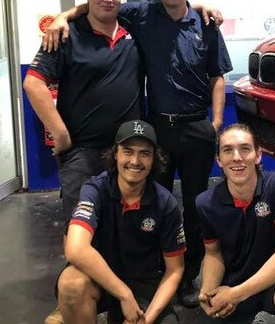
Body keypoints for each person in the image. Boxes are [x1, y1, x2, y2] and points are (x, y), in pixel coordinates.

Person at [45, 0, 233, 308]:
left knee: (194, 205)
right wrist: (62, 16)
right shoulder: (143, 15)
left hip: (197, 128)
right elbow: (100, 2)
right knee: (154, 202)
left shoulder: (205, 24)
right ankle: (156, 269)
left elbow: (217, 77)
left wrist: (217, 124)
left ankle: (187, 274)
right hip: (158, 127)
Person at [23, 0, 143, 222]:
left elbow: (174, 8)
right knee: (81, 229)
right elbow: (33, 83)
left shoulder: (133, 29)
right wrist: (60, 134)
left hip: (126, 151)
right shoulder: (66, 35)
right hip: (82, 154)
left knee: (122, 226)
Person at [55, 119, 186, 324]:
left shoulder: (165, 203)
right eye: (128, 151)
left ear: (154, 160)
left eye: (144, 153)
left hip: (143, 283)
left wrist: (147, 319)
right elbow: (75, 249)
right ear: (115, 153)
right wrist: (124, 294)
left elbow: (175, 270)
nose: (135, 160)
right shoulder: (95, 190)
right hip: (100, 279)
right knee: (71, 285)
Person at [195, 123, 275, 323]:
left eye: (245, 148)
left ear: (258, 155)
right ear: (219, 160)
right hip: (232, 284)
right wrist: (209, 293)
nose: (237, 157)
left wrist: (237, 294)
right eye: (228, 150)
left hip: (273, 283)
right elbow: (213, 252)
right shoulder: (206, 203)